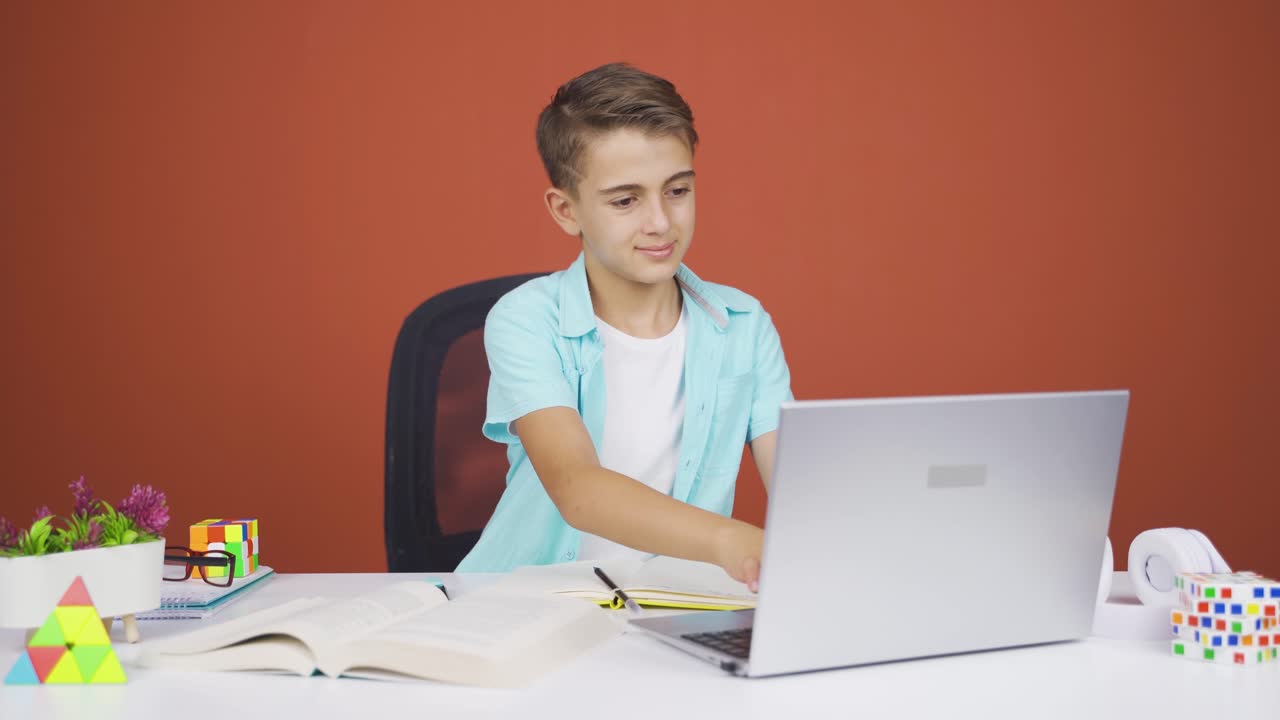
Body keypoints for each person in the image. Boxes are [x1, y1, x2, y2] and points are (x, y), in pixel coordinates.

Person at [455, 62, 792, 591]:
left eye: (677, 191)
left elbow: (799, 487)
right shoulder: (525, 321)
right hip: (533, 603)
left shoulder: (744, 325)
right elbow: (579, 490)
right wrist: (730, 539)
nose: (660, 221)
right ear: (567, 211)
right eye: (625, 200)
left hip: (676, 607)